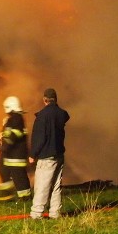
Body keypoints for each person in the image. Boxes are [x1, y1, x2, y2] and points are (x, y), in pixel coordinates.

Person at [28, 88, 69, 219]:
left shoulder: (42, 116)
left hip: (46, 156)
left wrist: (33, 154)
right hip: (59, 155)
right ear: (55, 99)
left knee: (42, 185)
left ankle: (36, 214)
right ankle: (55, 213)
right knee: (56, 186)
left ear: (44, 100)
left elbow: (40, 137)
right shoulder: (61, 114)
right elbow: (65, 117)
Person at [0, 96, 32, 202]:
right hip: (11, 155)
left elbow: (14, 135)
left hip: (16, 155)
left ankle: (25, 197)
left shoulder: (16, 118)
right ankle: (6, 196)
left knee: (19, 176)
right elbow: (7, 134)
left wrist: (5, 146)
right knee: (4, 172)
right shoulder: (13, 119)